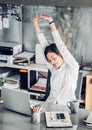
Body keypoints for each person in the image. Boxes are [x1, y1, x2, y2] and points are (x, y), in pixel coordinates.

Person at [33, 14, 79, 105]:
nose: (52, 62)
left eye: (54, 58)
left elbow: (60, 45)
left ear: (61, 55)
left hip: (66, 108)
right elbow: (43, 44)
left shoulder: (72, 67)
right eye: (49, 60)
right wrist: (35, 23)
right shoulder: (53, 69)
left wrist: (51, 21)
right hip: (49, 105)